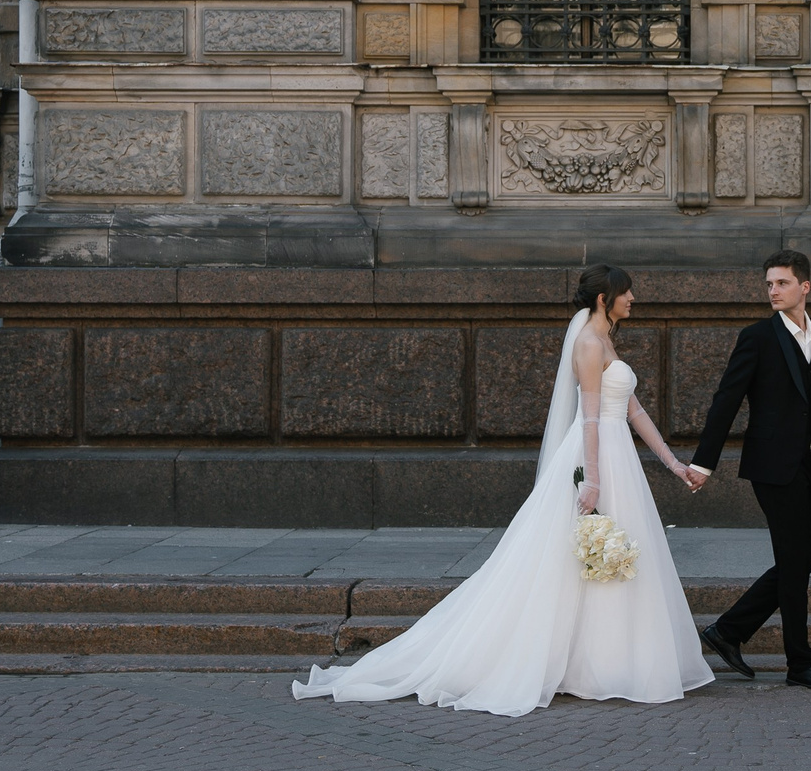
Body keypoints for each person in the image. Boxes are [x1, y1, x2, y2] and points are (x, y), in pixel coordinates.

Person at [291, 263, 711, 718]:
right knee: (578, 558)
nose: (633, 299)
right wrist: (591, 480)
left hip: (618, 456)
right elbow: (590, 417)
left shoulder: (606, 339)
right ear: (603, 299)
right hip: (596, 457)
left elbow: (634, 411)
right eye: (626, 292)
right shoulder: (589, 344)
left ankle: (607, 663)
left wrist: (674, 464)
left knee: (611, 558)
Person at [686, 248, 811, 691]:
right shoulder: (757, 337)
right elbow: (726, 400)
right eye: (769, 284)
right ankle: (800, 663)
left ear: (805, 287)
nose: (773, 291)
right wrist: (704, 462)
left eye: (782, 283)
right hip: (771, 466)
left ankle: (729, 630)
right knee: (796, 561)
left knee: (804, 558)